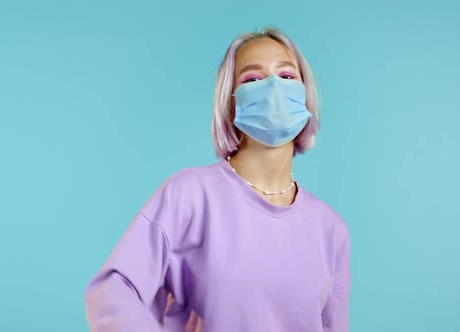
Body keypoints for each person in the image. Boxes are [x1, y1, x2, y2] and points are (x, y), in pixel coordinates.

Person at [84, 27, 351, 332]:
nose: (274, 87)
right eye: (253, 79)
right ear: (231, 101)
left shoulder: (330, 229)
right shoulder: (190, 196)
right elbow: (113, 291)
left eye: (287, 76)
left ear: (305, 94)